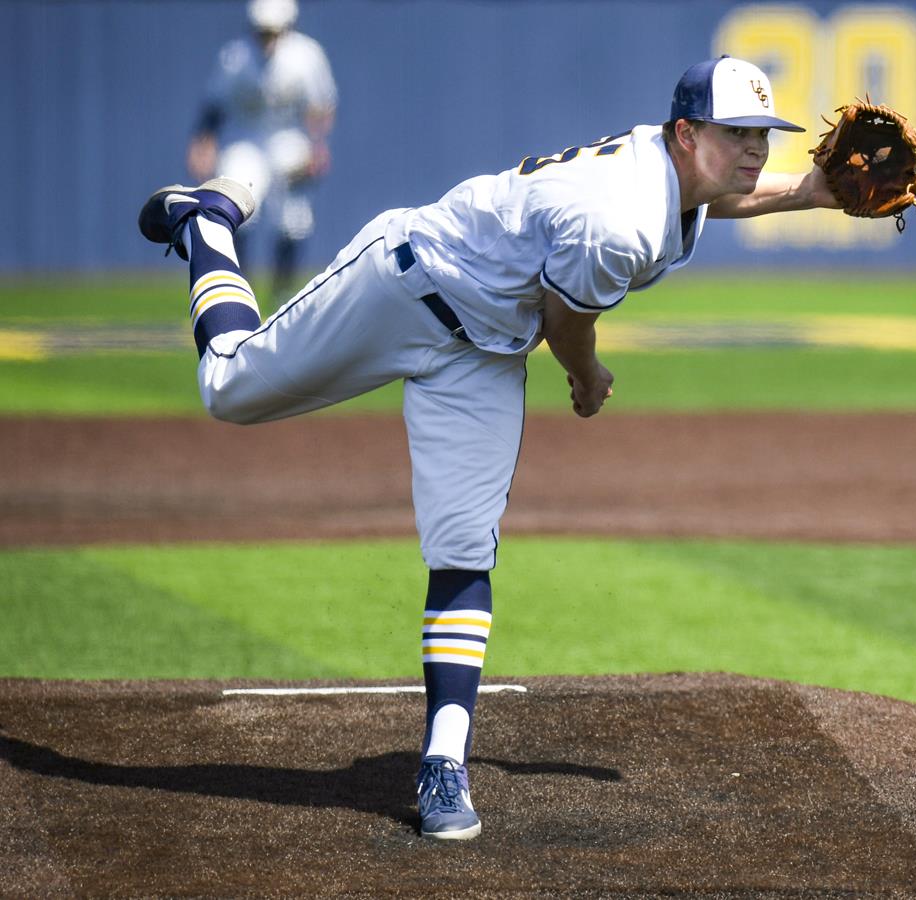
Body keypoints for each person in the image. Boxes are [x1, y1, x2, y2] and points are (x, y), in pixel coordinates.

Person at [137, 55, 843, 840]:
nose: (754, 149)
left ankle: (444, 761)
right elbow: (565, 327)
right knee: (228, 386)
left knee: (464, 549)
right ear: (686, 132)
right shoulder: (619, 219)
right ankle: (206, 224)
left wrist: (808, 193)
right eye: (736, 131)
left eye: (763, 134)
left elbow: (716, 194)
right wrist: (588, 376)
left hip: (482, 352)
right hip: (405, 287)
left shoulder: (668, 172)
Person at [186, 0, 337, 304]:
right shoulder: (235, 57)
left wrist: (317, 146)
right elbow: (215, 105)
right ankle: (240, 284)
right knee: (239, 204)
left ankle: (282, 290)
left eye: (273, 31)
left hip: (287, 134)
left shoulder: (306, 56)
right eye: (262, 32)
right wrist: (203, 144)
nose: (267, 39)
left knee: (293, 218)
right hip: (247, 136)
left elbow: (321, 104)